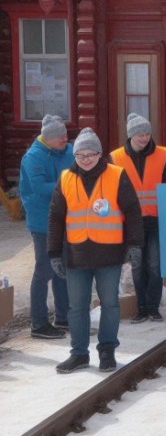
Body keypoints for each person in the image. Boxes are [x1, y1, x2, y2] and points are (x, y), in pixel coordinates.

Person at [47, 128, 144, 373]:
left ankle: (107, 350)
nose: (86, 159)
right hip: (77, 255)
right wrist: (54, 252)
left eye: (90, 154)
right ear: (75, 155)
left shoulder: (117, 175)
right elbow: (56, 218)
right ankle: (79, 353)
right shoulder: (66, 178)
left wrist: (134, 244)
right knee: (77, 307)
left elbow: (132, 210)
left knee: (110, 304)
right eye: (80, 154)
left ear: (100, 154)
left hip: (109, 254)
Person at [109, 114, 166, 323]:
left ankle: (153, 307)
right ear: (131, 135)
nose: (144, 138)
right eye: (140, 134)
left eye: (147, 133)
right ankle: (142, 308)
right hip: (131, 224)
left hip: (157, 221)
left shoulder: (163, 155)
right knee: (138, 266)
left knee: (155, 265)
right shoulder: (115, 158)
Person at [19, 115, 74, 339]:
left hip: (65, 219)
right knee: (44, 270)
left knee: (63, 269)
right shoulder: (33, 157)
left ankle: (63, 317)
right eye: (60, 136)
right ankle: (38, 323)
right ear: (48, 138)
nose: (65, 138)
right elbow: (40, 187)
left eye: (65, 134)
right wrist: (71, 184)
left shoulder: (68, 151)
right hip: (42, 221)